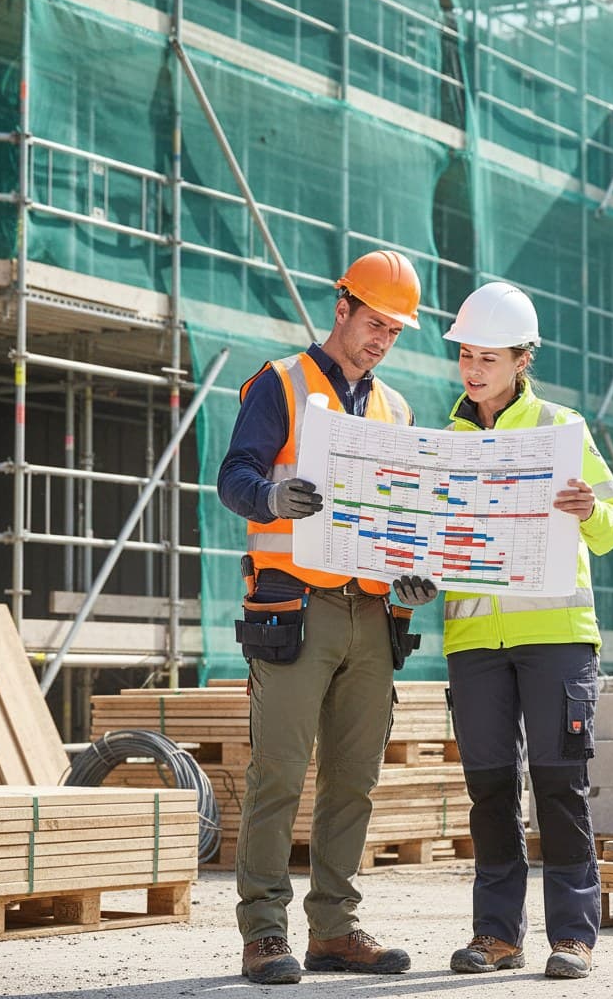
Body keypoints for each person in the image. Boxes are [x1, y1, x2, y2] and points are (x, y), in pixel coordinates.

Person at [218, 249, 438, 985]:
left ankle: (336, 929)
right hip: (296, 609)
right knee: (278, 773)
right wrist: (272, 499)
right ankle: (263, 932)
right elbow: (234, 476)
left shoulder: (397, 410)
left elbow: (401, 518)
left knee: (355, 779)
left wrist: (411, 574)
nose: (382, 339)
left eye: (395, 331)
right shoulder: (279, 383)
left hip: (373, 616)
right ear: (341, 307)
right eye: (374, 323)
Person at [439, 282, 613, 980]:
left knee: (559, 787)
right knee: (490, 791)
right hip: (472, 645)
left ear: (522, 359)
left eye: (487, 356)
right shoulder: (445, 442)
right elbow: (434, 544)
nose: (473, 368)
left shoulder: (560, 429)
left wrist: (588, 509)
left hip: (556, 638)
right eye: (466, 354)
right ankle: (496, 936)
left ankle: (573, 936)